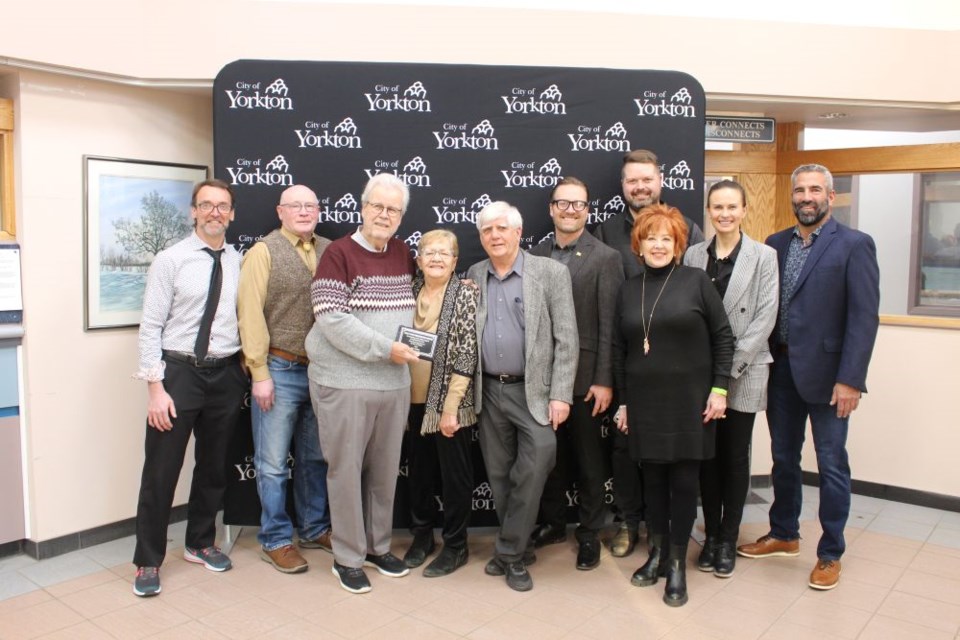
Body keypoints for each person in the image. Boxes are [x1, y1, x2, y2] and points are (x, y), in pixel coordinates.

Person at [737, 164, 880, 591]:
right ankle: (784, 534)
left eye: (815, 190)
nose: (806, 197)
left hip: (830, 378)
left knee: (832, 463)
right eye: (799, 190)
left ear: (830, 197)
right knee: (783, 458)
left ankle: (830, 552)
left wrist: (851, 379)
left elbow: (863, 317)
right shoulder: (775, 244)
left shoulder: (854, 245)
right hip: (780, 371)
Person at [612, 204, 733, 607]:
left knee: (683, 484)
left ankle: (678, 565)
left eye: (667, 238)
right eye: (651, 238)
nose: (659, 245)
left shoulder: (697, 282)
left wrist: (719, 390)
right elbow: (619, 350)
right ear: (639, 245)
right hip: (645, 404)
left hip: (690, 403)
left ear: (679, 244)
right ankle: (658, 554)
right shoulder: (629, 288)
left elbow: (723, 339)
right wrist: (624, 403)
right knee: (654, 484)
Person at [305, 173, 420, 594]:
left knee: (384, 473)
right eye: (378, 206)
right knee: (346, 471)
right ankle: (347, 557)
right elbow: (330, 317)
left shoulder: (405, 253)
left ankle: (377, 546)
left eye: (393, 209)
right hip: (344, 381)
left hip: (393, 383)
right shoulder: (338, 253)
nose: (384, 215)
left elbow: (420, 301)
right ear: (363, 207)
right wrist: (384, 348)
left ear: (401, 216)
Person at [131, 179, 247, 597]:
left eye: (223, 206)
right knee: (161, 472)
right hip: (178, 374)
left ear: (232, 214)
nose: (215, 212)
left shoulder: (239, 261)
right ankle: (147, 561)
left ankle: (200, 542)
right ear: (193, 212)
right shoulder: (171, 260)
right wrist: (155, 389)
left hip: (226, 374)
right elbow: (150, 327)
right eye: (207, 205)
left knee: (214, 467)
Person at [594, 149, 705, 558]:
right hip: (630, 362)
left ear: (660, 181)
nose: (639, 187)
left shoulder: (688, 227)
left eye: (646, 179)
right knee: (624, 449)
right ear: (622, 186)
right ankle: (628, 522)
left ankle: (672, 535)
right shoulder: (605, 232)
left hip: (678, 364)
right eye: (631, 181)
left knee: (674, 456)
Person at [467, 201, 578, 592]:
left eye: (501, 228)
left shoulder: (549, 272)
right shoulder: (474, 274)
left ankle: (510, 553)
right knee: (499, 474)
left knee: (535, 464)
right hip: (489, 391)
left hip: (534, 391)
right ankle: (518, 546)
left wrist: (561, 394)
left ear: (518, 232)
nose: (494, 236)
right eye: (486, 230)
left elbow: (567, 338)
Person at [683, 180, 779, 578]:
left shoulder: (763, 256)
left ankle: (727, 537)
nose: (724, 214)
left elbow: (764, 318)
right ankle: (710, 534)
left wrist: (727, 368)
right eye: (717, 207)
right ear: (709, 210)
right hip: (698, 372)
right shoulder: (692, 254)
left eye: (731, 207)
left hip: (744, 369)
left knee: (736, 458)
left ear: (743, 210)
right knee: (707, 457)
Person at [528, 177, 623, 570]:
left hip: (586, 380)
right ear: (551, 208)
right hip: (540, 378)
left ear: (587, 210)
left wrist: (604, 379)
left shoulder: (605, 257)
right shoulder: (532, 254)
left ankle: (589, 533)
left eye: (578, 204)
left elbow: (609, 325)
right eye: (563, 204)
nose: (570, 210)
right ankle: (552, 523)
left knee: (588, 461)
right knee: (549, 458)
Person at [237, 184, 332, 574]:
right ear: (281, 212)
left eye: (311, 205)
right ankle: (275, 538)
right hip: (279, 367)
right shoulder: (263, 251)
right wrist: (258, 371)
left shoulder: (330, 249)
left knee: (314, 458)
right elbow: (250, 313)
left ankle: (313, 527)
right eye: (296, 205)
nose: (304, 211)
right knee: (273, 462)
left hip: (323, 371)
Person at [401, 230, 480, 578]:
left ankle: (455, 545)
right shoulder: (407, 291)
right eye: (429, 252)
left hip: (449, 405)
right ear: (418, 259)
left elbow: (467, 353)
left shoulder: (464, 293)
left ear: (455, 261)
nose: (436, 258)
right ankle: (421, 538)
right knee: (418, 476)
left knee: (454, 479)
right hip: (410, 402)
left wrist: (451, 407)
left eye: (444, 253)